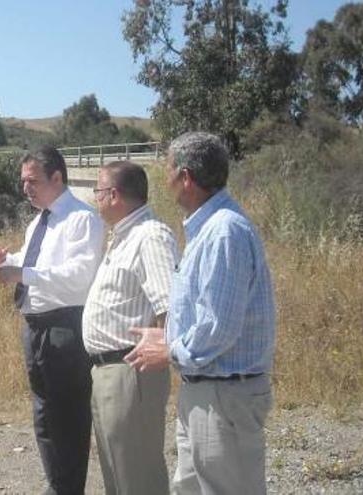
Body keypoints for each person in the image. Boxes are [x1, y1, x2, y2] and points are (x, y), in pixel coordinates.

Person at [129, 132, 276, 494]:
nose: (166, 181)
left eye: (168, 171)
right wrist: (168, 336)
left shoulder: (223, 232)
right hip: (208, 391)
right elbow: (209, 317)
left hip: (223, 397)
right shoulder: (209, 229)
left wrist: (170, 350)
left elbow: (217, 327)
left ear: (186, 178)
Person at [0, 145, 104, 495]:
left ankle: (68, 489)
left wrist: (23, 273)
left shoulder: (82, 219)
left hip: (65, 328)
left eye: (32, 181)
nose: (26, 188)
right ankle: (57, 486)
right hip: (36, 327)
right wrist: (9, 259)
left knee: (67, 417)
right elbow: (34, 259)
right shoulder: (39, 221)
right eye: (23, 181)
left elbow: (79, 276)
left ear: (57, 177)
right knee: (44, 417)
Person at [82, 161, 177, 495]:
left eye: (97, 191)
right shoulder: (125, 235)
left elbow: (170, 305)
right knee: (119, 474)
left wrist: (166, 346)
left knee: (137, 476)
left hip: (131, 370)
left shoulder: (149, 236)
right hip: (110, 371)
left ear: (114, 195)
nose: (95, 198)